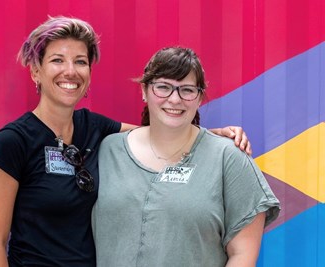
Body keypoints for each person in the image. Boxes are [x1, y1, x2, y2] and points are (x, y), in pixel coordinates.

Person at [0, 16, 252, 267]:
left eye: (80, 61)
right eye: (57, 60)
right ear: (35, 72)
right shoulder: (13, 141)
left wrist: (214, 136)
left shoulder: (94, 127)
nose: (70, 71)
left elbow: (161, 132)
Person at [93, 47, 280, 267]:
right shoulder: (108, 150)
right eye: (163, 87)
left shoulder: (228, 158)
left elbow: (242, 255)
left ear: (200, 97)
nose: (175, 99)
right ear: (144, 90)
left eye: (187, 90)